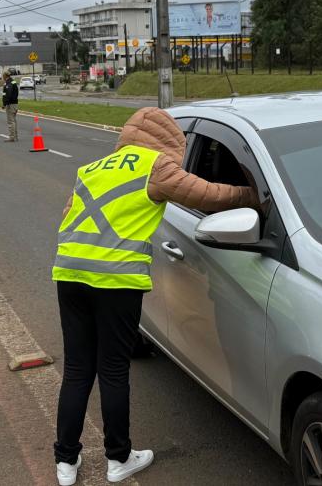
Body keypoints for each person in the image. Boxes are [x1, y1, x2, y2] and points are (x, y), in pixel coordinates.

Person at [51, 107, 258, 485]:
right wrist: (255, 194)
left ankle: (65, 462)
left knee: (78, 369)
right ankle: (118, 458)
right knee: (113, 370)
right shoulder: (156, 166)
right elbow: (208, 195)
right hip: (116, 281)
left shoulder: (93, 168)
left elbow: (68, 217)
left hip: (70, 273)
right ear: (168, 139)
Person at [1, 71, 19, 142]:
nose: (2, 77)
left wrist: (4, 104)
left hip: (10, 104)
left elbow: (8, 95)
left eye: (3, 76)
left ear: (5, 76)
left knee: (10, 121)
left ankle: (12, 137)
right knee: (14, 120)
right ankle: (15, 136)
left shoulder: (8, 83)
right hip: (15, 103)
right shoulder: (13, 82)